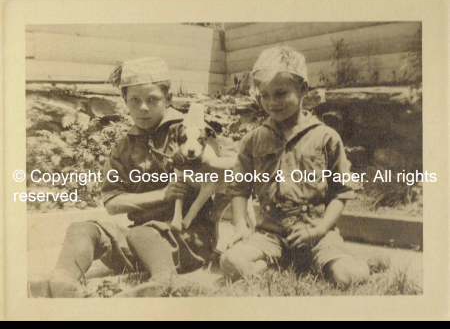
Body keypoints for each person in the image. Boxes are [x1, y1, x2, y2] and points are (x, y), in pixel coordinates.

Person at [220, 46, 390, 289]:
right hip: (270, 236)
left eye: (280, 93)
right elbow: (238, 189)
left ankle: (365, 265)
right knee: (230, 261)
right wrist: (239, 225)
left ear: (303, 90)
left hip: (318, 234)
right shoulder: (253, 140)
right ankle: (276, 263)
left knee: (348, 277)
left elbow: (341, 193)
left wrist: (319, 230)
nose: (271, 102)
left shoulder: (326, 137)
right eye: (264, 94)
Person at [48, 57, 217, 298]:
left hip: (188, 239)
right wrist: (162, 194)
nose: (143, 108)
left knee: (142, 233)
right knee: (83, 229)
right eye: (134, 100)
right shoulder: (124, 146)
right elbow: (112, 202)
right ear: (125, 101)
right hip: (140, 241)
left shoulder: (190, 131)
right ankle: (63, 281)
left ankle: (165, 282)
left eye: (152, 99)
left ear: (168, 99)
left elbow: (233, 162)